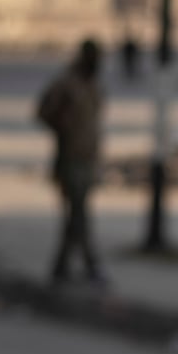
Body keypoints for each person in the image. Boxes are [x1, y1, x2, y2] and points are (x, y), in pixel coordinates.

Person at [35, 39, 106, 284]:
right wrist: (63, 129)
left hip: (88, 159)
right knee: (79, 215)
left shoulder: (93, 86)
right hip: (70, 159)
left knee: (76, 216)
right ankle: (90, 265)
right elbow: (43, 112)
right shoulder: (66, 84)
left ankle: (62, 267)